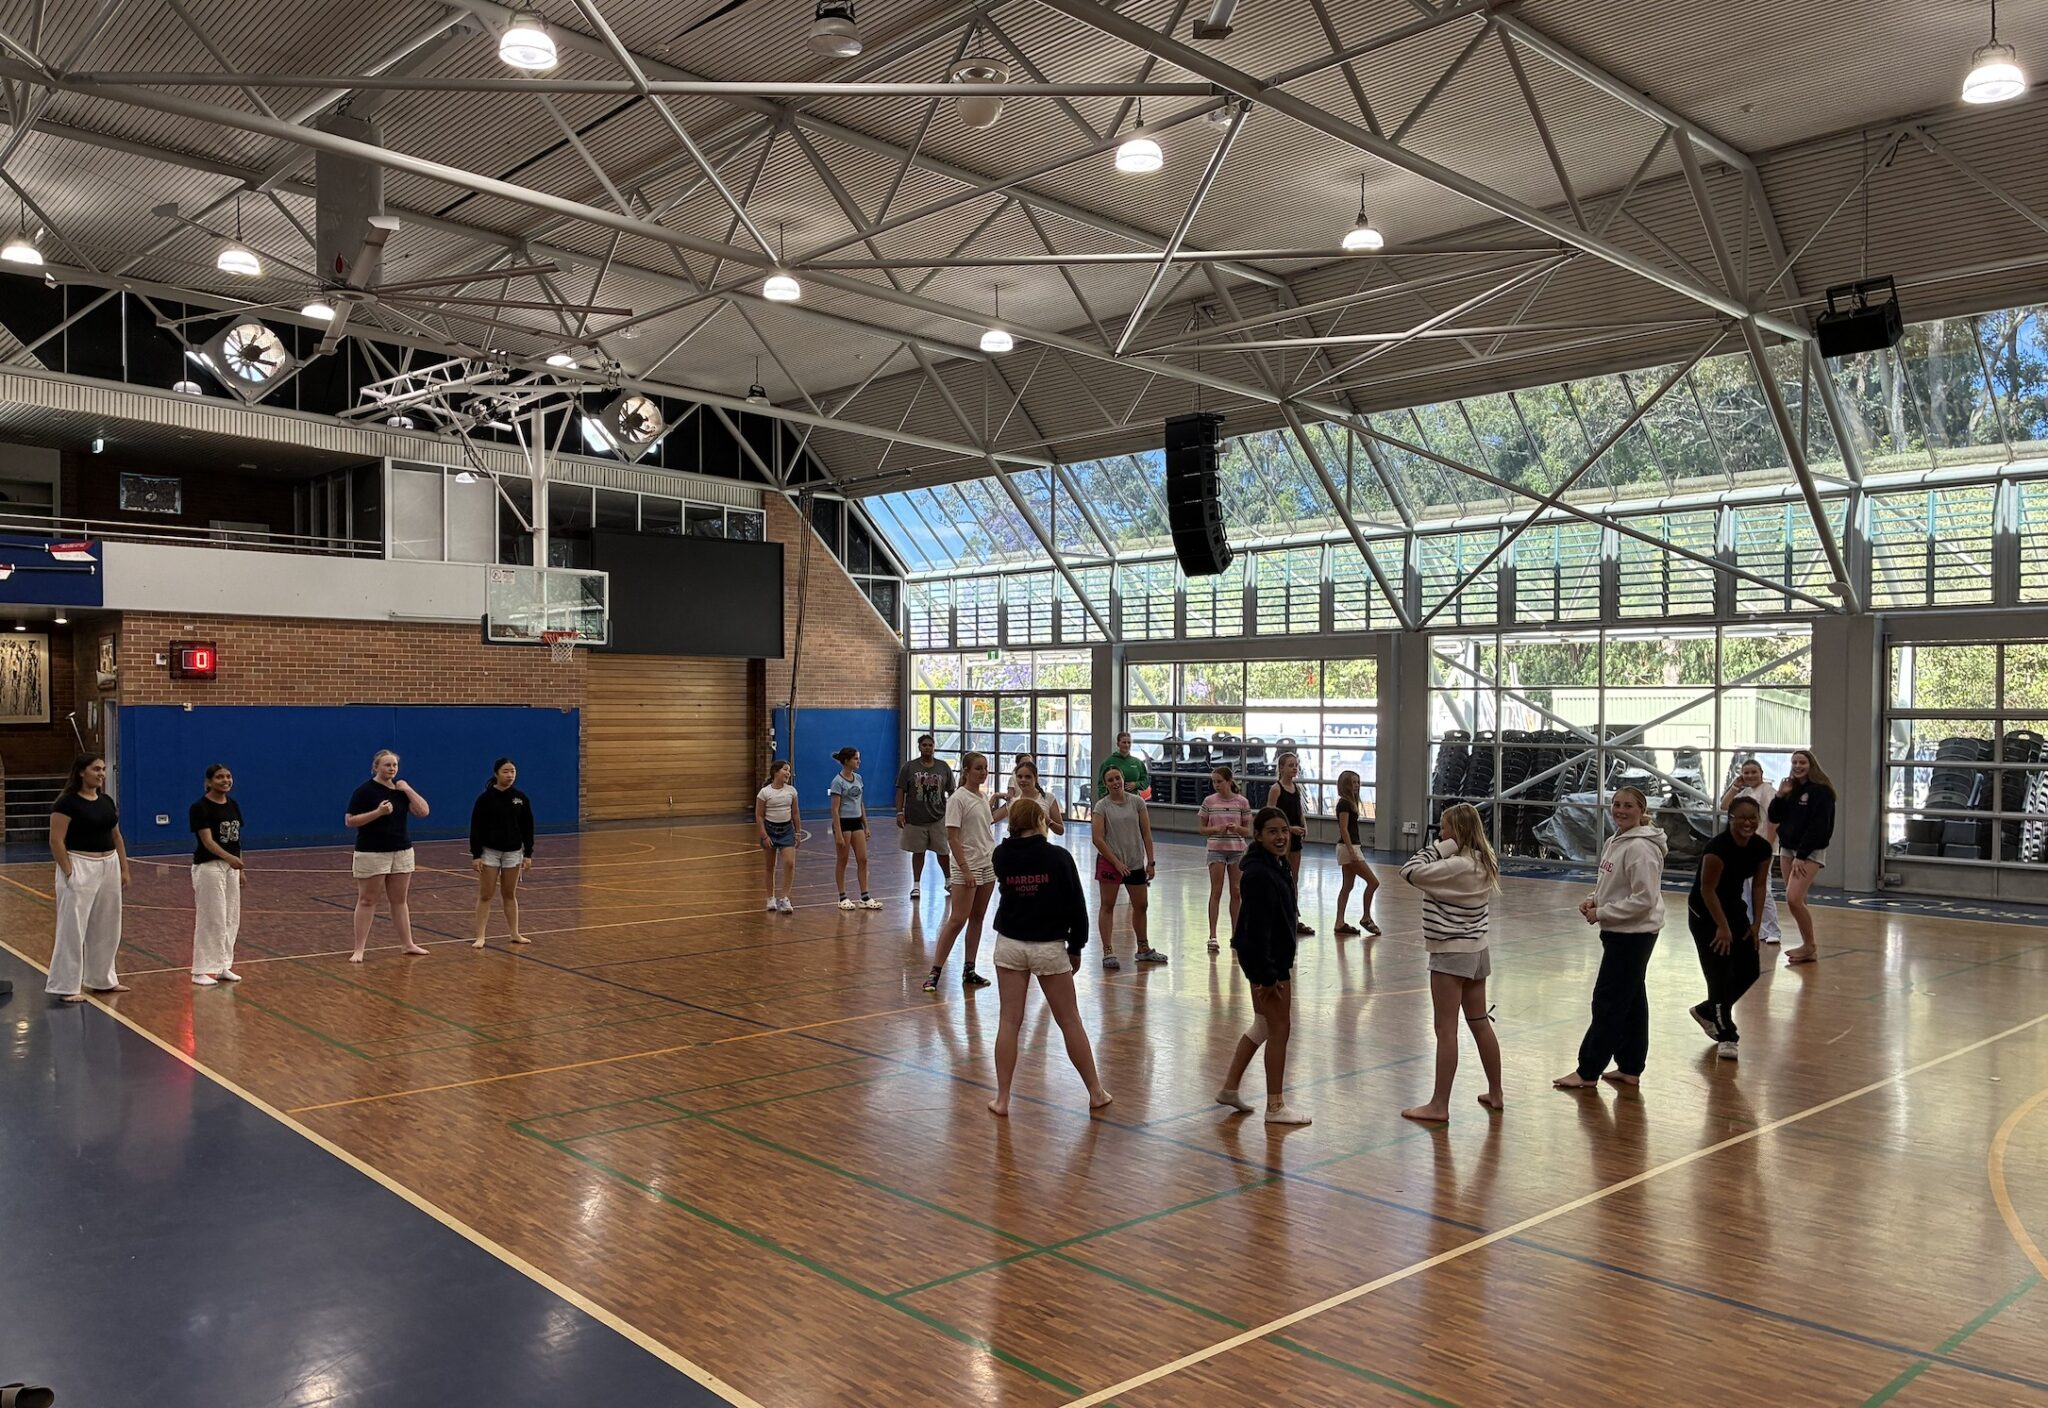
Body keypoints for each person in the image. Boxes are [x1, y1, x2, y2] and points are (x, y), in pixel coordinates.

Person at [985, 797, 1113, 1117]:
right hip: (1048, 946)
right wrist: (1077, 947)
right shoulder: (1059, 857)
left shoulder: (1001, 855)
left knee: (1009, 1021)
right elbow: (1077, 906)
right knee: (1069, 1020)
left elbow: (1009, 856)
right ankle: (1095, 1092)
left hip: (1010, 944)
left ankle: (1002, 1098)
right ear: (1040, 821)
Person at [1556, 786, 1668, 1091]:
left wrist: (1603, 913)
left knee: (1607, 1002)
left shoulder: (1641, 849)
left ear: (1642, 810)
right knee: (1631, 1000)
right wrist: (1593, 899)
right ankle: (1630, 1067)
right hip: (1620, 932)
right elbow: (1612, 883)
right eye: (1617, 804)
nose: (1620, 810)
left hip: (1633, 935)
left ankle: (1588, 1071)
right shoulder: (1615, 841)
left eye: (1628, 805)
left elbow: (1644, 899)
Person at [1399, 802, 1503, 1121]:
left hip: (1451, 952)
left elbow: (1409, 871)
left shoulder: (1455, 865)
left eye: (1444, 828)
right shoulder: (1484, 860)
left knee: (1445, 1030)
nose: (1440, 833)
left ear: (1456, 832)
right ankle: (1496, 1092)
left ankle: (1439, 1105)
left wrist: (1440, 848)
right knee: (1479, 1021)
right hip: (1478, 951)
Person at [1216, 807, 1311, 1125]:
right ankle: (1275, 1106)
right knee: (1280, 1029)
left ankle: (1230, 1088)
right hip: (1268, 964)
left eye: (1284, 830)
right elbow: (1256, 929)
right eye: (1272, 831)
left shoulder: (1275, 864)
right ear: (1257, 835)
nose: (1281, 837)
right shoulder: (1259, 874)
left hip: (1268, 960)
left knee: (1263, 1025)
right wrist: (1268, 977)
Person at [1688, 796, 1773, 1060]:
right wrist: (1722, 928)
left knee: (1749, 970)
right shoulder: (1717, 848)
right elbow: (1707, 890)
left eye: (1753, 818)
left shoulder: (1762, 848)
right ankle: (1727, 1035)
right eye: (1742, 818)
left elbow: (1759, 885)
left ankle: (1707, 1010)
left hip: (1733, 907)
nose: (1748, 823)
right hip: (1705, 912)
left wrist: (1756, 924)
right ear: (1731, 818)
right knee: (1720, 975)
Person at [46, 752, 131, 1003]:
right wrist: (68, 871)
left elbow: (116, 836)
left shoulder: (106, 801)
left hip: (109, 865)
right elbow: (56, 840)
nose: (101, 774)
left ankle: (102, 979)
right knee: (72, 928)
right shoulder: (66, 803)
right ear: (82, 772)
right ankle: (66, 985)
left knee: (108, 924)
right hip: (80, 864)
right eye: (96, 769)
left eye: (103, 769)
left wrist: (124, 868)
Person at [923, 751, 1006, 992]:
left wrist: (1010, 806)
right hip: (967, 866)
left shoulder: (982, 797)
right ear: (966, 771)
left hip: (987, 865)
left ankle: (969, 969)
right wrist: (965, 869)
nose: (983, 772)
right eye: (978, 768)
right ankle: (935, 971)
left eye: (985, 768)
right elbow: (953, 837)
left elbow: (986, 823)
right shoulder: (957, 799)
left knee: (978, 918)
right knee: (957, 919)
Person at [347, 749, 429, 963]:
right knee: (367, 900)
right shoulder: (364, 791)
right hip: (372, 852)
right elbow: (350, 821)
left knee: (399, 900)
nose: (392, 768)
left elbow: (423, 811)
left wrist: (407, 789)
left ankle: (407, 944)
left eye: (394, 765)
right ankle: (359, 949)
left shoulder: (401, 791)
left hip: (401, 851)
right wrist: (378, 813)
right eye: (387, 765)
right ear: (376, 767)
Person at [1769, 749, 1835, 966]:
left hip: (1808, 851)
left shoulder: (1821, 792)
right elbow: (1774, 817)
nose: (1798, 766)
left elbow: (1820, 826)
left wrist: (1802, 854)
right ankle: (1808, 949)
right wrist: (1780, 795)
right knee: (1799, 899)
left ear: (1811, 765)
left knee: (1793, 898)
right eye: (1794, 762)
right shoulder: (1791, 789)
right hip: (1787, 849)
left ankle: (1810, 944)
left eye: (1802, 762)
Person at [1092, 766, 1162, 970]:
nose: (1115, 782)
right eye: (1110, 780)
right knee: (1108, 905)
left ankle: (1143, 948)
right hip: (1110, 862)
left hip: (1134, 862)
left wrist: (1150, 862)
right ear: (1105, 784)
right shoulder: (1102, 806)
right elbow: (1097, 838)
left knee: (1141, 905)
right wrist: (1116, 862)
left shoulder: (1137, 802)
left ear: (1123, 779)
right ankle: (1108, 951)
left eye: (1117, 778)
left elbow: (1146, 834)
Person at [190, 762, 246, 986]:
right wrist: (229, 858)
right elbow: (207, 841)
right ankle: (201, 969)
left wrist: (241, 868)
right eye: (220, 777)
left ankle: (223, 965)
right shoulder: (200, 807)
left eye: (228, 776)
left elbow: (236, 840)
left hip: (231, 868)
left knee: (230, 917)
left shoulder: (233, 805)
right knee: (211, 918)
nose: (225, 780)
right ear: (209, 782)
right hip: (210, 867)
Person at [469, 757, 535, 948]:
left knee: (509, 894)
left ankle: (514, 933)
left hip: (513, 853)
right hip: (490, 852)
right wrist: (476, 855)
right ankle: (480, 936)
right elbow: (476, 827)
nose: (510, 775)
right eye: (505, 771)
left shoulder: (520, 798)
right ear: (496, 773)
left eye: (512, 771)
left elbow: (527, 827)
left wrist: (528, 853)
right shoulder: (485, 799)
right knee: (486, 894)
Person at [1720, 759, 1781, 944]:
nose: (1750, 776)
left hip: (1760, 848)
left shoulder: (1769, 792)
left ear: (1761, 773)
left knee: (1763, 888)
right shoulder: (1745, 793)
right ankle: (1753, 927)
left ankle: (1772, 929)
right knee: (1745, 890)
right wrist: (1735, 787)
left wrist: (1767, 846)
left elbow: (1773, 821)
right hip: (1744, 848)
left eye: (1754, 772)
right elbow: (1724, 806)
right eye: (1746, 773)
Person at [895, 735, 955, 902]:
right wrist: (899, 812)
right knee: (918, 852)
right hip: (915, 818)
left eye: (930, 745)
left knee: (943, 851)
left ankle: (948, 881)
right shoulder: (909, 767)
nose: (927, 748)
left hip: (938, 817)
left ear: (934, 747)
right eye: (924, 745)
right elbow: (900, 790)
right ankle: (916, 885)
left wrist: (953, 812)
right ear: (919, 747)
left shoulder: (943, 767)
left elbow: (952, 791)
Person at [1199, 764, 1252, 954]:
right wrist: (1216, 829)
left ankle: (1236, 934)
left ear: (1229, 782)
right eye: (1214, 782)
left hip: (1236, 850)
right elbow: (1202, 829)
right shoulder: (1209, 802)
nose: (1216, 785)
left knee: (1236, 891)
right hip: (1216, 850)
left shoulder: (1242, 802)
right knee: (1216, 891)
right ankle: (1212, 935)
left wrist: (1237, 829)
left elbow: (1248, 830)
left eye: (1219, 781)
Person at [1266, 751, 1314, 936]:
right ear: (1281, 768)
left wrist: (1304, 826)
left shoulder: (1296, 788)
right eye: (1291, 765)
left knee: (1294, 879)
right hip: (1282, 839)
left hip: (1294, 839)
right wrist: (1288, 828)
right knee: (1281, 877)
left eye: (1296, 765)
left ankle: (1293, 917)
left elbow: (1299, 811)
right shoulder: (1276, 789)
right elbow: (1270, 815)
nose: (1295, 768)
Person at [828, 747, 882, 910]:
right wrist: (838, 833)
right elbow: (835, 810)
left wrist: (866, 825)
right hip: (843, 823)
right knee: (843, 860)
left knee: (863, 859)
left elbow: (860, 803)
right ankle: (842, 897)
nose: (859, 761)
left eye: (859, 758)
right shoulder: (837, 782)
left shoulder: (858, 778)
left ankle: (865, 897)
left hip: (856, 822)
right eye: (856, 759)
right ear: (846, 761)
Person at [1332, 769, 1381, 937]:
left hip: (1349, 847)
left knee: (1347, 886)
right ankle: (1366, 917)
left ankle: (1339, 922)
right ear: (1345, 785)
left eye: (1358, 782)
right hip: (1348, 848)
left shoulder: (1349, 803)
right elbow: (1343, 828)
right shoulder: (1344, 804)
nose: (1356, 785)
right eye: (1353, 782)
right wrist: (1352, 850)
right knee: (1373, 882)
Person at [756, 760, 800, 914]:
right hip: (770, 830)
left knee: (789, 863)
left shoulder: (791, 791)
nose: (788, 773)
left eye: (789, 770)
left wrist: (798, 832)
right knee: (770, 866)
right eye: (785, 770)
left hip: (786, 830)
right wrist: (764, 836)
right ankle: (770, 898)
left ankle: (785, 898)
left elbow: (795, 813)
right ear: (776, 772)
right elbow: (759, 816)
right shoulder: (764, 793)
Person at [1006, 758, 1063, 836]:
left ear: (1035, 778)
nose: (1023, 780)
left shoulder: (1048, 798)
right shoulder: (1014, 802)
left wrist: (1047, 820)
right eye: (1019, 776)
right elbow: (1011, 831)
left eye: (1028, 777)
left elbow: (1060, 831)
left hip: (1040, 843)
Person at [1098, 731, 1150, 800]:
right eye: (1124, 742)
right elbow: (1101, 784)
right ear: (1118, 744)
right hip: (1114, 801)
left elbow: (1146, 780)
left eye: (1129, 742)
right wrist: (1104, 800)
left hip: (1133, 800)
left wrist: (1136, 784)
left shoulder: (1138, 762)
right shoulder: (1108, 762)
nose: (1127, 745)